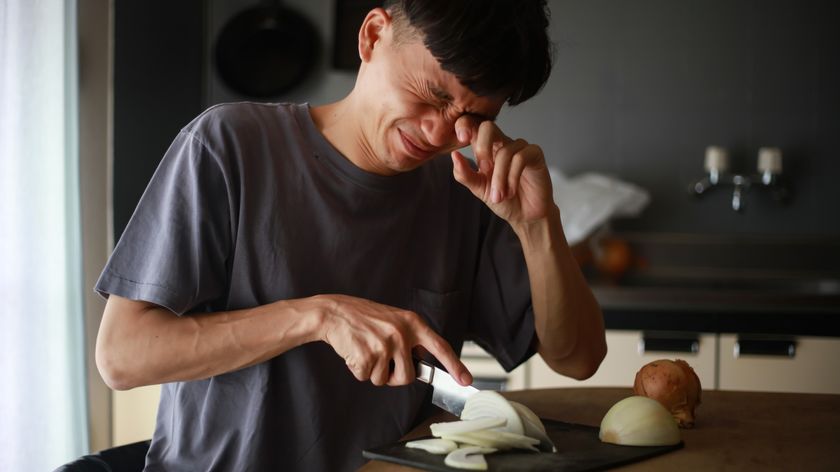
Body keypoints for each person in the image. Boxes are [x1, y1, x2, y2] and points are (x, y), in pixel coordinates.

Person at [94, 0, 607, 470]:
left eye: (472, 118)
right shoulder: (228, 147)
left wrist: (537, 225)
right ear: (373, 35)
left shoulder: (460, 194)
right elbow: (122, 355)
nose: (438, 133)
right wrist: (318, 316)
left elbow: (577, 358)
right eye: (431, 94)